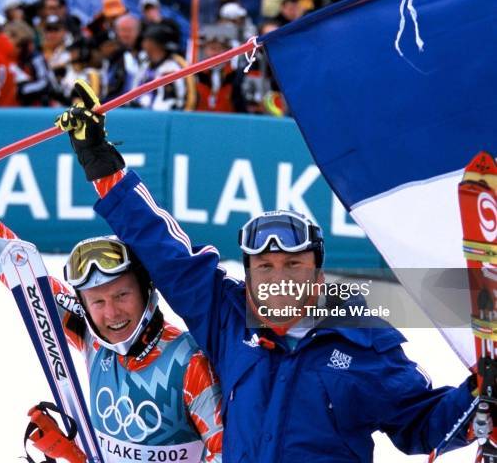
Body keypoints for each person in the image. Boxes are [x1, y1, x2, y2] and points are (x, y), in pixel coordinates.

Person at [53, 80, 478, 462]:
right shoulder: (227, 316)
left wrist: (477, 402)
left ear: (316, 270)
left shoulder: (365, 344)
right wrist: (101, 163)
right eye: (265, 267)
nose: (279, 278)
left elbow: (421, 423)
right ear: (250, 272)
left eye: (293, 264)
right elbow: (164, 251)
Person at [0, 146, 223, 462]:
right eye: (98, 301)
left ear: (147, 291)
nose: (111, 313)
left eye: (122, 295)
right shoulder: (93, 337)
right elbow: (26, 282)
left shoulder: (191, 364)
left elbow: (227, 452)